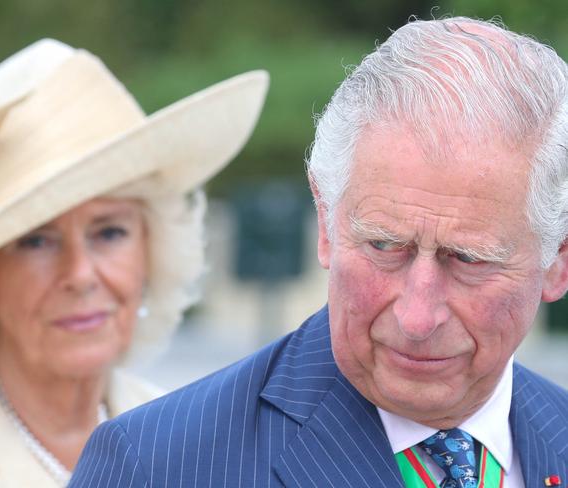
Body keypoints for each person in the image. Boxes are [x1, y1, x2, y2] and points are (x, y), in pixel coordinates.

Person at [70, 16, 568, 488]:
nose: (418, 317)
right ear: (326, 222)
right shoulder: (158, 465)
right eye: (383, 245)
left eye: (467, 259)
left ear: (558, 260)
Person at [0, 38, 268, 487]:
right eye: (36, 241)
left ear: (151, 250)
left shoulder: (191, 437)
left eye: (109, 232)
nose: (80, 274)